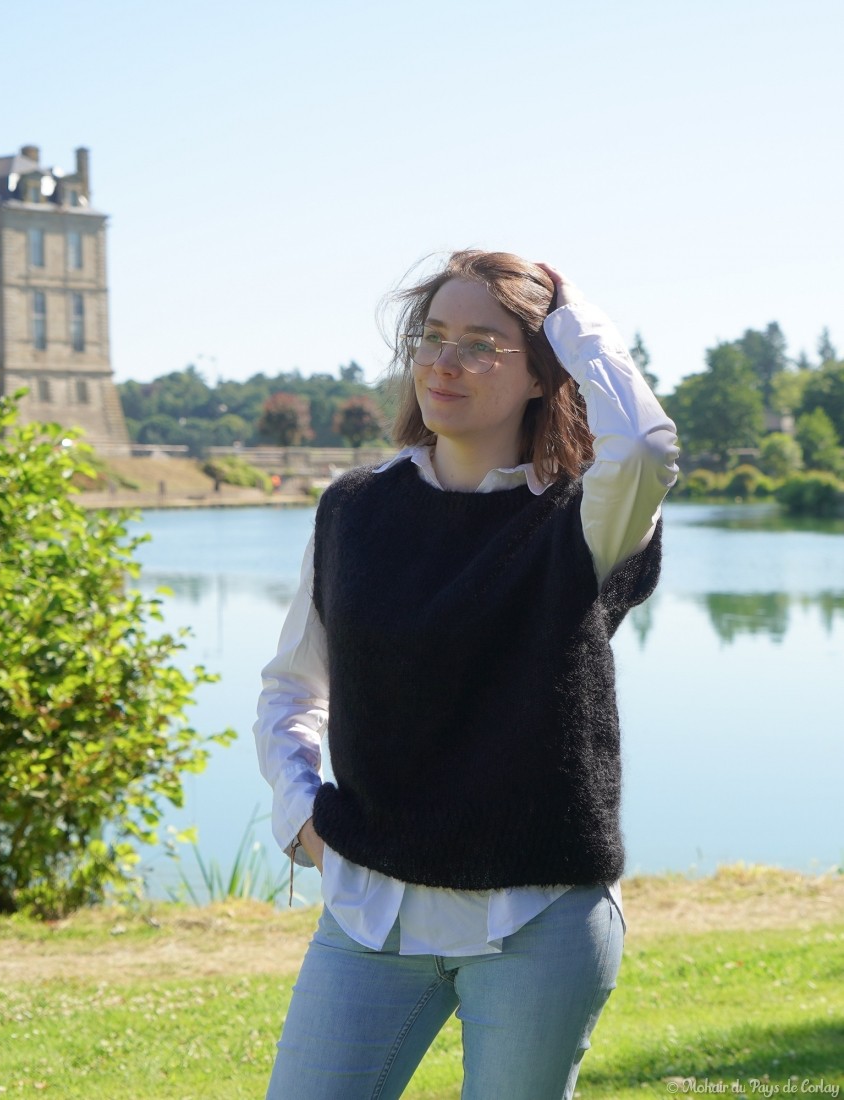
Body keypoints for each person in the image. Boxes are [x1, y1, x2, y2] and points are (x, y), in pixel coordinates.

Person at [253, 249, 679, 1099]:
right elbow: (293, 688)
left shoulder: (581, 521)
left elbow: (641, 447)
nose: (444, 362)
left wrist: (575, 319)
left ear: (541, 375)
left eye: (482, 344)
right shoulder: (354, 511)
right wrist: (301, 816)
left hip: (538, 922)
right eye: (433, 336)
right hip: (369, 914)